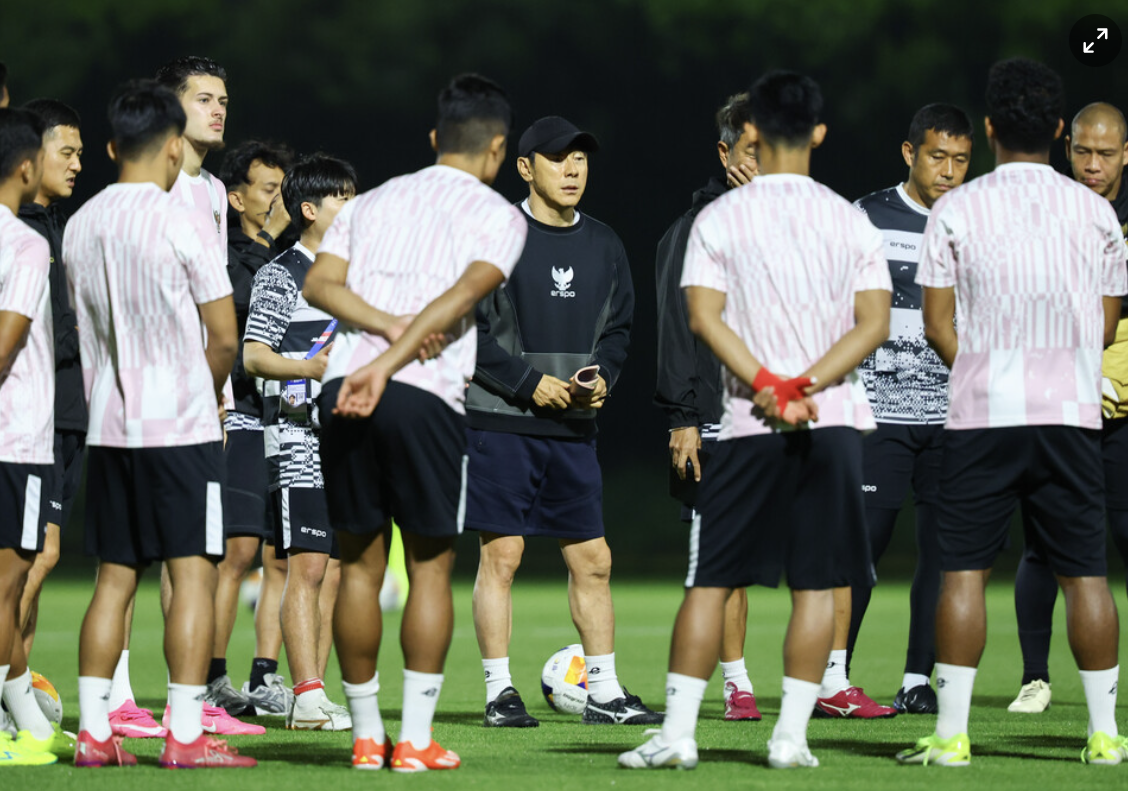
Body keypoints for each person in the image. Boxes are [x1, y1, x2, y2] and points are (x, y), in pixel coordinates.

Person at [620, 70, 891, 771]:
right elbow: (874, 322)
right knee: (816, 582)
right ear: (820, 133)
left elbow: (702, 318)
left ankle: (678, 734)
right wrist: (807, 382)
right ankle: (790, 739)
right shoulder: (847, 216)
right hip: (827, 419)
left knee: (711, 578)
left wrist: (768, 382)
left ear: (754, 134)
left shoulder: (720, 217)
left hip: (745, 419)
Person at [896, 57, 1127, 767]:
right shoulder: (1094, 211)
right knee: (1085, 573)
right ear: (1060, 131)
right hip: (1068, 412)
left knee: (963, 572)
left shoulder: (956, 208)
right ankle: (1104, 735)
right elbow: (1108, 324)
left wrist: (985, 370)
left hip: (982, 411)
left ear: (990, 128)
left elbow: (937, 322)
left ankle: (954, 735)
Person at [303, 73, 527, 771]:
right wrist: (398, 350)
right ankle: (417, 739)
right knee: (430, 565)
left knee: (358, 565)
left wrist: (375, 340)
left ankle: (366, 737)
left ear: (435, 138)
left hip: (343, 385)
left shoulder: (371, 201)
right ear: (498, 149)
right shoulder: (499, 215)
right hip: (423, 392)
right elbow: (460, 297)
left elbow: (322, 286)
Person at [65, 79, 254, 768]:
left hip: (110, 427)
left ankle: (93, 732)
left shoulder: (82, 222)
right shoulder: (183, 218)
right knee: (193, 574)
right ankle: (183, 733)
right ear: (175, 146)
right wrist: (200, 400)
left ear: (113, 145)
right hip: (179, 426)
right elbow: (225, 336)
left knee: (113, 578)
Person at [466, 115, 655, 729]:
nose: (572, 169)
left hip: (574, 429)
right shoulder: (494, 234)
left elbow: (620, 331)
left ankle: (603, 691)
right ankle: (499, 692)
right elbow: (461, 329)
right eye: (556, 158)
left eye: (580, 159)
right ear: (525, 168)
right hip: (500, 421)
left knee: (593, 559)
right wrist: (526, 383)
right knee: (503, 556)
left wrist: (601, 380)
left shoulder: (604, 242)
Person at [832, 104, 974, 717]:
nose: (949, 171)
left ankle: (918, 678)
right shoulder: (865, 217)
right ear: (909, 153)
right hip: (879, 413)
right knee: (863, 548)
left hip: (955, 413)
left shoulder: (977, 222)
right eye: (937, 157)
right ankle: (834, 676)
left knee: (942, 555)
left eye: (961, 160)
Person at [1007, 101, 1128, 715]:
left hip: (1123, 413)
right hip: (1058, 406)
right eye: (1082, 151)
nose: (1092, 165)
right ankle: (1035, 678)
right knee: (1043, 547)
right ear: (1066, 147)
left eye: (1106, 154)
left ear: (1126, 154)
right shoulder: (1046, 212)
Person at [654, 91, 762, 722]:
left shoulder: (798, 220)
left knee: (818, 559)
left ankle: (826, 686)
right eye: (754, 150)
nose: (768, 162)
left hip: (791, 419)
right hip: (718, 419)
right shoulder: (694, 231)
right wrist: (683, 415)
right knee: (721, 564)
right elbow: (677, 328)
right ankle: (731, 685)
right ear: (726, 154)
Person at [243, 153, 358, 730]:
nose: (351, 204)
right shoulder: (281, 273)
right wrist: (313, 371)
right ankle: (307, 697)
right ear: (310, 209)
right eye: (340, 196)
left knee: (335, 570)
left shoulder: (356, 273)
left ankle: (315, 692)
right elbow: (254, 354)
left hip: (348, 440)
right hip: (296, 438)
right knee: (306, 566)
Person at [204, 139, 296, 718]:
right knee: (236, 550)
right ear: (236, 199)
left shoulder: (295, 257)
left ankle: (264, 678)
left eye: (285, 189)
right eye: (269, 190)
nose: (279, 200)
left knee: (281, 556)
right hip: (238, 412)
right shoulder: (226, 258)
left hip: (286, 417)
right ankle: (212, 679)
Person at [16, 99, 87, 671]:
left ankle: (14, 700)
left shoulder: (59, 226)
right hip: (28, 418)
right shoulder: (17, 231)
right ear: (28, 156)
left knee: (40, 554)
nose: (76, 165)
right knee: (30, 557)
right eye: (66, 153)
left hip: (66, 412)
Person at [0, 106, 58, 767]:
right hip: (14, 436)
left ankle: (22, 716)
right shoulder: (24, 243)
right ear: (24, 166)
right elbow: (7, 342)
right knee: (6, 587)